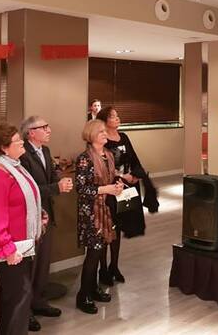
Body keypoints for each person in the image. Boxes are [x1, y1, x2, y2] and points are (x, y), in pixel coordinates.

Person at [0, 124, 46, 335]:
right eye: (17, 141)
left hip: (23, 244)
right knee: (20, 297)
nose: (21, 143)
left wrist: (38, 214)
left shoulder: (15, 167)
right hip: (10, 247)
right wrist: (7, 248)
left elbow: (25, 199)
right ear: (4, 147)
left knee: (13, 298)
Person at [19, 116, 73, 328]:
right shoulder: (22, 154)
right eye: (44, 127)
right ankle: (25, 312)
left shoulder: (46, 151)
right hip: (29, 218)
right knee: (29, 267)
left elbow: (50, 175)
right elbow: (27, 190)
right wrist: (55, 188)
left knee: (43, 263)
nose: (49, 130)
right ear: (31, 132)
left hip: (46, 215)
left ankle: (39, 302)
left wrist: (60, 180)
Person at [96, 106, 155, 286]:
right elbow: (102, 166)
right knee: (107, 228)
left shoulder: (124, 137)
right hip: (111, 187)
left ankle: (114, 266)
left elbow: (134, 159)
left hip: (127, 188)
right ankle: (103, 269)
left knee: (119, 226)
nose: (117, 118)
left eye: (117, 115)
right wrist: (122, 176)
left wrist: (136, 175)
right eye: (113, 116)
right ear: (105, 121)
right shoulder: (101, 139)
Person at [75, 119, 123, 314]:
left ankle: (93, 289)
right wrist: (106, 189)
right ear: (91, 135)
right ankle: (83, 295)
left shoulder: (109, 155)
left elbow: (112, 179)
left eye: (105, 131)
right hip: (91, 212)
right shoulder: (84, 158)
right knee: (93, 253)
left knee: (101, 249)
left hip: (107, 209)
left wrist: (117, 186)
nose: (105, 134)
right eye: (101, 131)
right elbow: (81, 189)